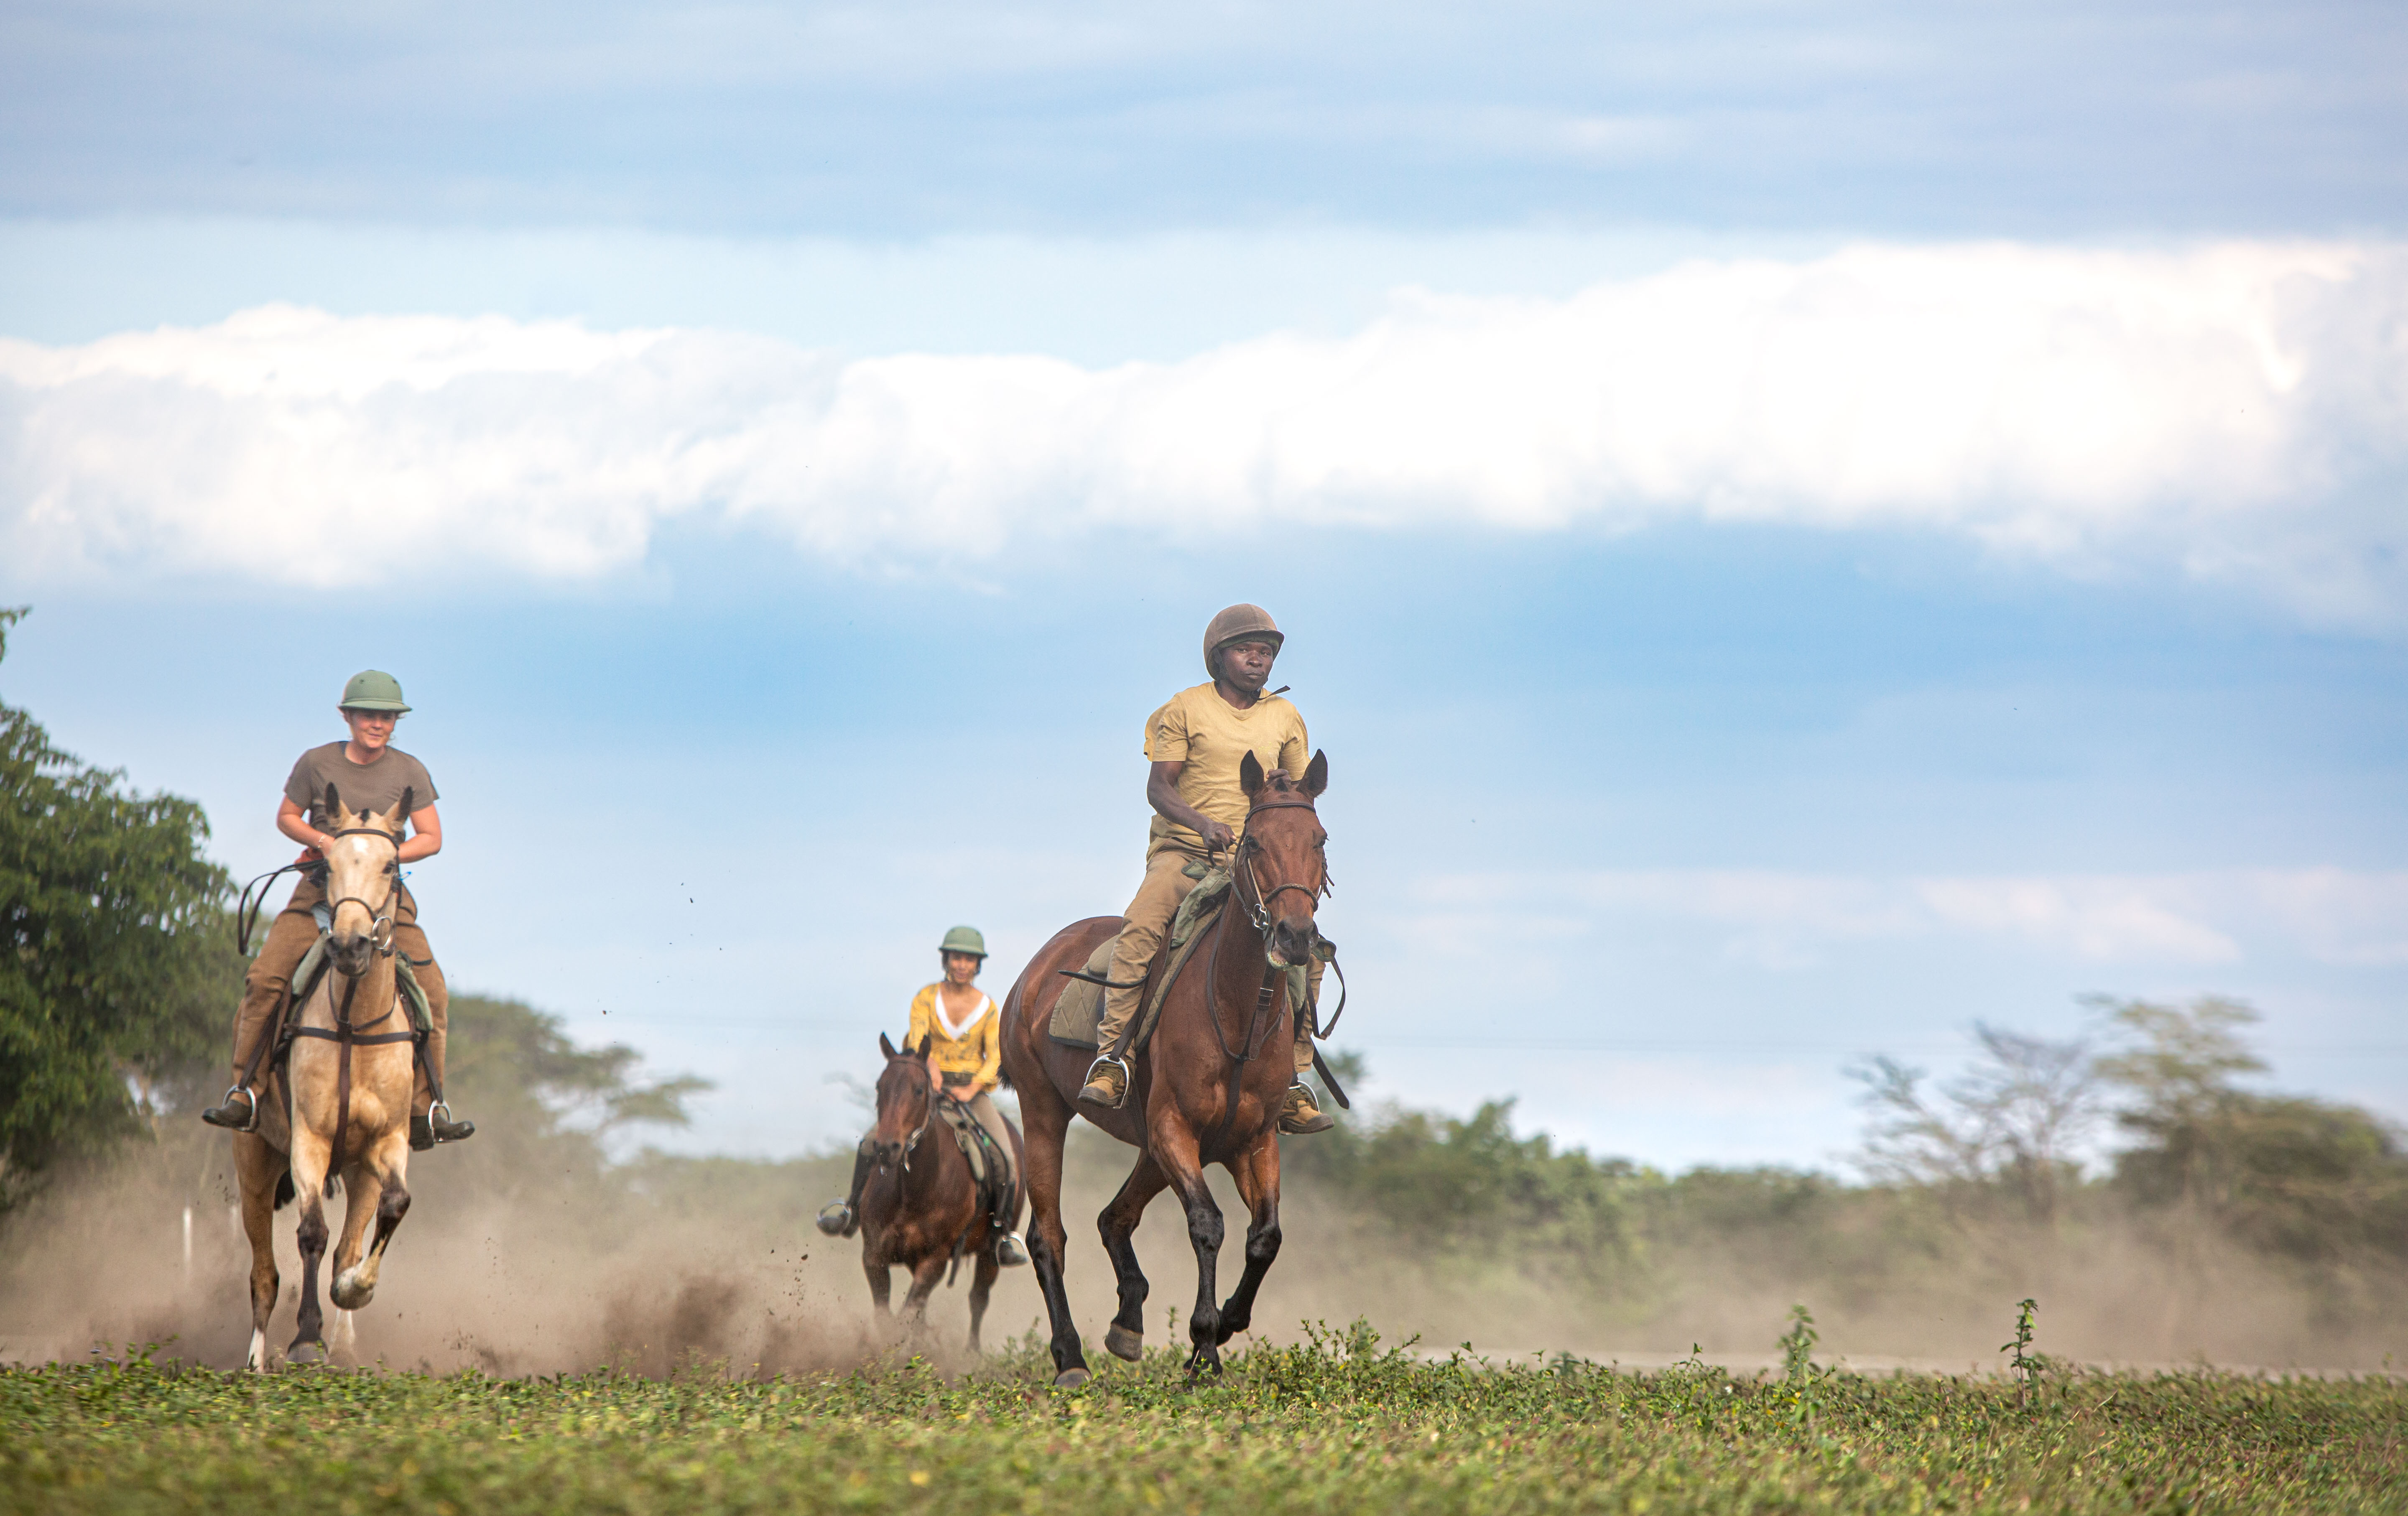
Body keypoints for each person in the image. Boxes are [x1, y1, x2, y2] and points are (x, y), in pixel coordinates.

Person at [1077, 604, 1333, 1133]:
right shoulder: (1184, 709)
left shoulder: (1286, 718)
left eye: (1266, 652)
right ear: (1219, 657)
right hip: (1186, 852)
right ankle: (1112, 1056)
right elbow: (1158, 787)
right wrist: (1203, 823)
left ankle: (1294, 1079)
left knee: (1309, 945)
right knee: (1144, 924)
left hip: (1259, 863)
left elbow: (1302, 796)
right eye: (1247, 650)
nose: (1258, 661)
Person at [200, 671, 474, 1150]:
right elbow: (286, 816)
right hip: (319, 891)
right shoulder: (316, 762)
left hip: (384, 897)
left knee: (433, 989)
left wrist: (382, 855)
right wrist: (326, 841)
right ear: (348, 716)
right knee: (265, 980)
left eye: (387, 716)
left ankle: (426, 1107)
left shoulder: (409, 771)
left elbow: (432, 837)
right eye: (369, 714)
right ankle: (246, 1091)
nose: (378, 724)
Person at [818, 926, 1030, 1266]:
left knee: (1005, 1159)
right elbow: (918, 1042)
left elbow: (995, 1058)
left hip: (971, 1092)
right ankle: (851, 1210)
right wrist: (929, 1073)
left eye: (970, 959)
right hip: (924, 1086)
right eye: (957, 957)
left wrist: (971, 1088)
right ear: (947, 960)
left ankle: (1002, 1235)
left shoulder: (989, 1009)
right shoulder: (925, 999)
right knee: (872, 1143)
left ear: (978, 965)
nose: (963, 965)